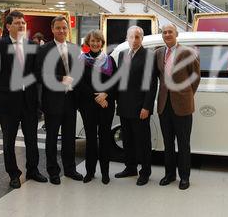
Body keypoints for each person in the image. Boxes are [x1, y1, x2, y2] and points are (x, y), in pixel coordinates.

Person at [0, 10, 47, 189]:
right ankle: (13, 174)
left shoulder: (33, 45)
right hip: (9, 101)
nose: (22, 25)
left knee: (32, 138)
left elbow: (38, 73)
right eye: (17, 23)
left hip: (29, 101)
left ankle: (33, 169)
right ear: (8, 26)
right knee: (9, 141)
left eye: (23, 23)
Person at [35, 15, 83, 184]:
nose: (62, 30)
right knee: (52, 138)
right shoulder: (43, 50)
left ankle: (70, 169)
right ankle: (53, 171)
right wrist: (61, 78)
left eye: (64, 27)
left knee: (69, 138)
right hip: (52, 101)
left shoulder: (74, 48)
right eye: (58, 28)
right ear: (52, 29)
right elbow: (39, 75)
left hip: (71, 101)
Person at [154, 23, 200, 190]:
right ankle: (169, 174)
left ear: (176, 34)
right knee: (168, 143)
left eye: (170, 32)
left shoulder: (188, 52)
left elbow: (195, 78)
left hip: (183, 105)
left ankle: (184, 177)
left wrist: (186, 95)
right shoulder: (158, 53)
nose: (167, 34)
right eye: (164, 32)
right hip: (164, 105)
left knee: (183, 143)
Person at [115, 26, 157, 186]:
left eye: (137, 37)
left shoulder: (148, 56)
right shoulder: (121, 55)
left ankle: (145, 172)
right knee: (128, 140)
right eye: (131, 37)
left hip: (140, 107)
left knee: (143, 142)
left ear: (142, 39)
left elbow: (152, 84)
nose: (134, 40)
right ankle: (130, 167)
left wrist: (147, 107)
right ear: (127, 38)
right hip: (124, 105)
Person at [77, 30, 118, 184]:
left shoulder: (109, 60)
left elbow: (115, 81)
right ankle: (90, 172)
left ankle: (105, 173)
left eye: (98, 41)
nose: (95, 43)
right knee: (91, 139)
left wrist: (105, 94)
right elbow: (79, 83)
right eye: (92, 41)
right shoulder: (81, 60)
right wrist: (97, 98)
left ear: (102, 43)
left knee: (105, 138)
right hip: (88, 105)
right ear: (88, 42)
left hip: (106, 104)